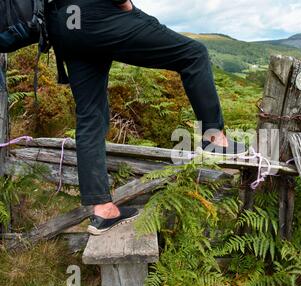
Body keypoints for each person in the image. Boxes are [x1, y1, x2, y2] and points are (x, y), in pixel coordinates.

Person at [44, 0, 247, 235]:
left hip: (63, 24)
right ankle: (214, 139)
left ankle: (103, 210)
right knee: (193, 53)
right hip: (96, 13)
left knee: (90, 115)